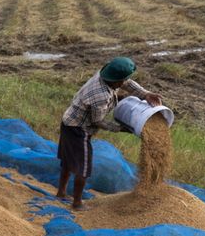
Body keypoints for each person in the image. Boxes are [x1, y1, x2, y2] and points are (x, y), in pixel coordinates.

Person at [56, 56, 162, 210]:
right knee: (83, 167)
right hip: (78, 129)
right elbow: (97, 121)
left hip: (69, 121)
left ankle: (61, 192)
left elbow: (127, 83)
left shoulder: (105, 75)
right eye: (122, 81)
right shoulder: (100, 95)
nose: (124, 82)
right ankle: (77, 203)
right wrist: (121, 128)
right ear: (115, 81)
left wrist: (145, 94)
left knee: (68, 159)